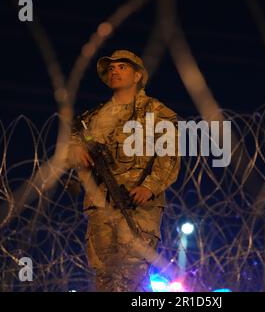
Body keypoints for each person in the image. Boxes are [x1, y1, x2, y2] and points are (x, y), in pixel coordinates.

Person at [66, 49, 180, 291]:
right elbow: (75, 142)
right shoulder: (95, 117)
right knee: (105, 275)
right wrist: (74, 149)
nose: (114, 71)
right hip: (101, 205)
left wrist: (150, 186)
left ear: (138, 75)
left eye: (122, 67)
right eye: (111, 68)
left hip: (137, 206)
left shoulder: (157, 113)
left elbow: (169, 155)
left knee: (132, 274)